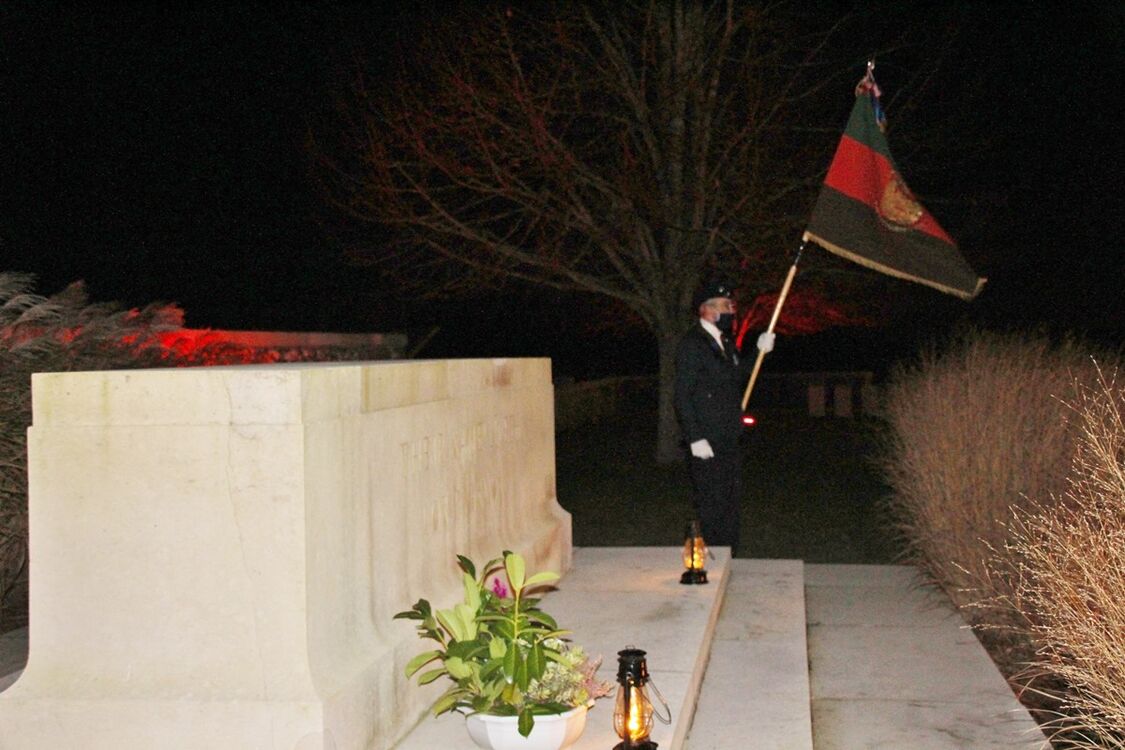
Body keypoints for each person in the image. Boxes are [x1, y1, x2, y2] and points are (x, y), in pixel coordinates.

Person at [673, 281, 774, 556]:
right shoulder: (693, 344)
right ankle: (713, 560)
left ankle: (730, 557)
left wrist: (759, 351)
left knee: (730, 501)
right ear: (706, 310)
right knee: (712, 502)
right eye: (725, 306)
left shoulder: (725, 342)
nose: (731, 311)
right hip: (706, 439)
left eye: (732, 306)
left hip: (729, 435)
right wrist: (695, 438)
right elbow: (682, 395)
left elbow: (738, 376)